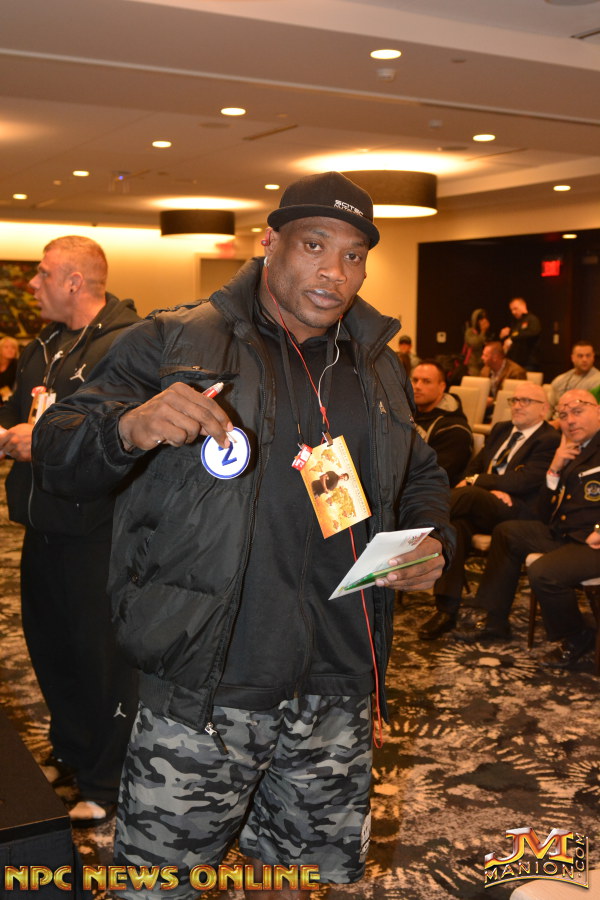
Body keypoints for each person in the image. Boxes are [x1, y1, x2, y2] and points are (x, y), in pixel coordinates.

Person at [32, 172, 453, 899]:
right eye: (315, 245)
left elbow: (418, 470)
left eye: (354, 255)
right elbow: (58, 447)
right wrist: (129, 427)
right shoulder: (172, 339)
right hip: (207, 682)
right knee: (157, 885)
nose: (335, 271)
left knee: (289, 878)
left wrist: (430, 537)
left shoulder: (376, 362)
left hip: (337, 682)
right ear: (269, 243)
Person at [0, 236, 140, 827]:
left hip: (97, 533)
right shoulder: (43, 346)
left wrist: (44, 443)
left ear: (74, 281)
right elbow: (18, 416)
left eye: (42, 274)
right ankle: (73, 754)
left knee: (101, 662)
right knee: (52, 652)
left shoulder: (127, 344)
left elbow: (124, 436)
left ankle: (107, 781)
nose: (32, 285)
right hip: (42, 526)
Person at [456, 389, 600, 669]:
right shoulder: (570, 449)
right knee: (508, 532)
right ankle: (495, 620)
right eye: (564, 415)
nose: (570, 420)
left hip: (592, 542)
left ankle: (577, 635)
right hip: (564, 534)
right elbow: (543, 513)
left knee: (544, 572)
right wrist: (554, 470)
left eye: (577, 411)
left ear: (598, 411)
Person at [417, 382, 560, 640]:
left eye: (526, 401)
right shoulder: (501, 429)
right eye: (514, 400)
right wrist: (479, 482)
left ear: (544, 409)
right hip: (483, 507)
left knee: (469, 495)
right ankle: (446, 609)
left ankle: (416, 521)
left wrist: (479, 482)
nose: (517, 405)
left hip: (518, 510)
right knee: (455, 526)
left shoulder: (548, 439)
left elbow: (525, 481)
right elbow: (475, 465)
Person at [411, 360, 473, 487]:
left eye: (426, 381)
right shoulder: (405, 414)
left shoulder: (455, 430)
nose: (417, 386)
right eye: (415, 380)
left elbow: (431, 476)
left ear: (442, 387)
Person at [548, 341, 600, 417]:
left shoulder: (598, 381)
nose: (584, 359)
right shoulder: (560, 379)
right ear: (572, 358)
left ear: (593, 357)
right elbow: (549, 407)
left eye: (588, 356)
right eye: (580, 356)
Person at [480, 340, 527, 419]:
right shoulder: (485, 371)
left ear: (495, 357)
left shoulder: (516, 372)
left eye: (485, 355)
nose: (482, 357)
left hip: (508, 412)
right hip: (488, 411)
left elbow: (516, 398)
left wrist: (493, 401)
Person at [499, 297, 542, 370]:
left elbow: (533, 332)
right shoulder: (517, 323)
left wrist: (512, 338)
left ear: (523, 306)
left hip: (529, 362)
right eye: (511, 310)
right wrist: (506, 335)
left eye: (515, 308)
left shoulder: (532, 319)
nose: (513, 312)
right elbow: (515, 336)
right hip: (517, 362)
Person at [463, 308, 492, 375]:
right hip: (473, 364)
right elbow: (475, 344)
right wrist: (483, 331)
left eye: (485, 319)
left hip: (486, 364)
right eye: (481, 320)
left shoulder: (489, 333)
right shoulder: (470, 332)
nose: (484, 322)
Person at [0, 335, 19, 401]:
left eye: (13, 347)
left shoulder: (19, 365)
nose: (10, 350)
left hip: (10, 400)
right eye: (6, 347)